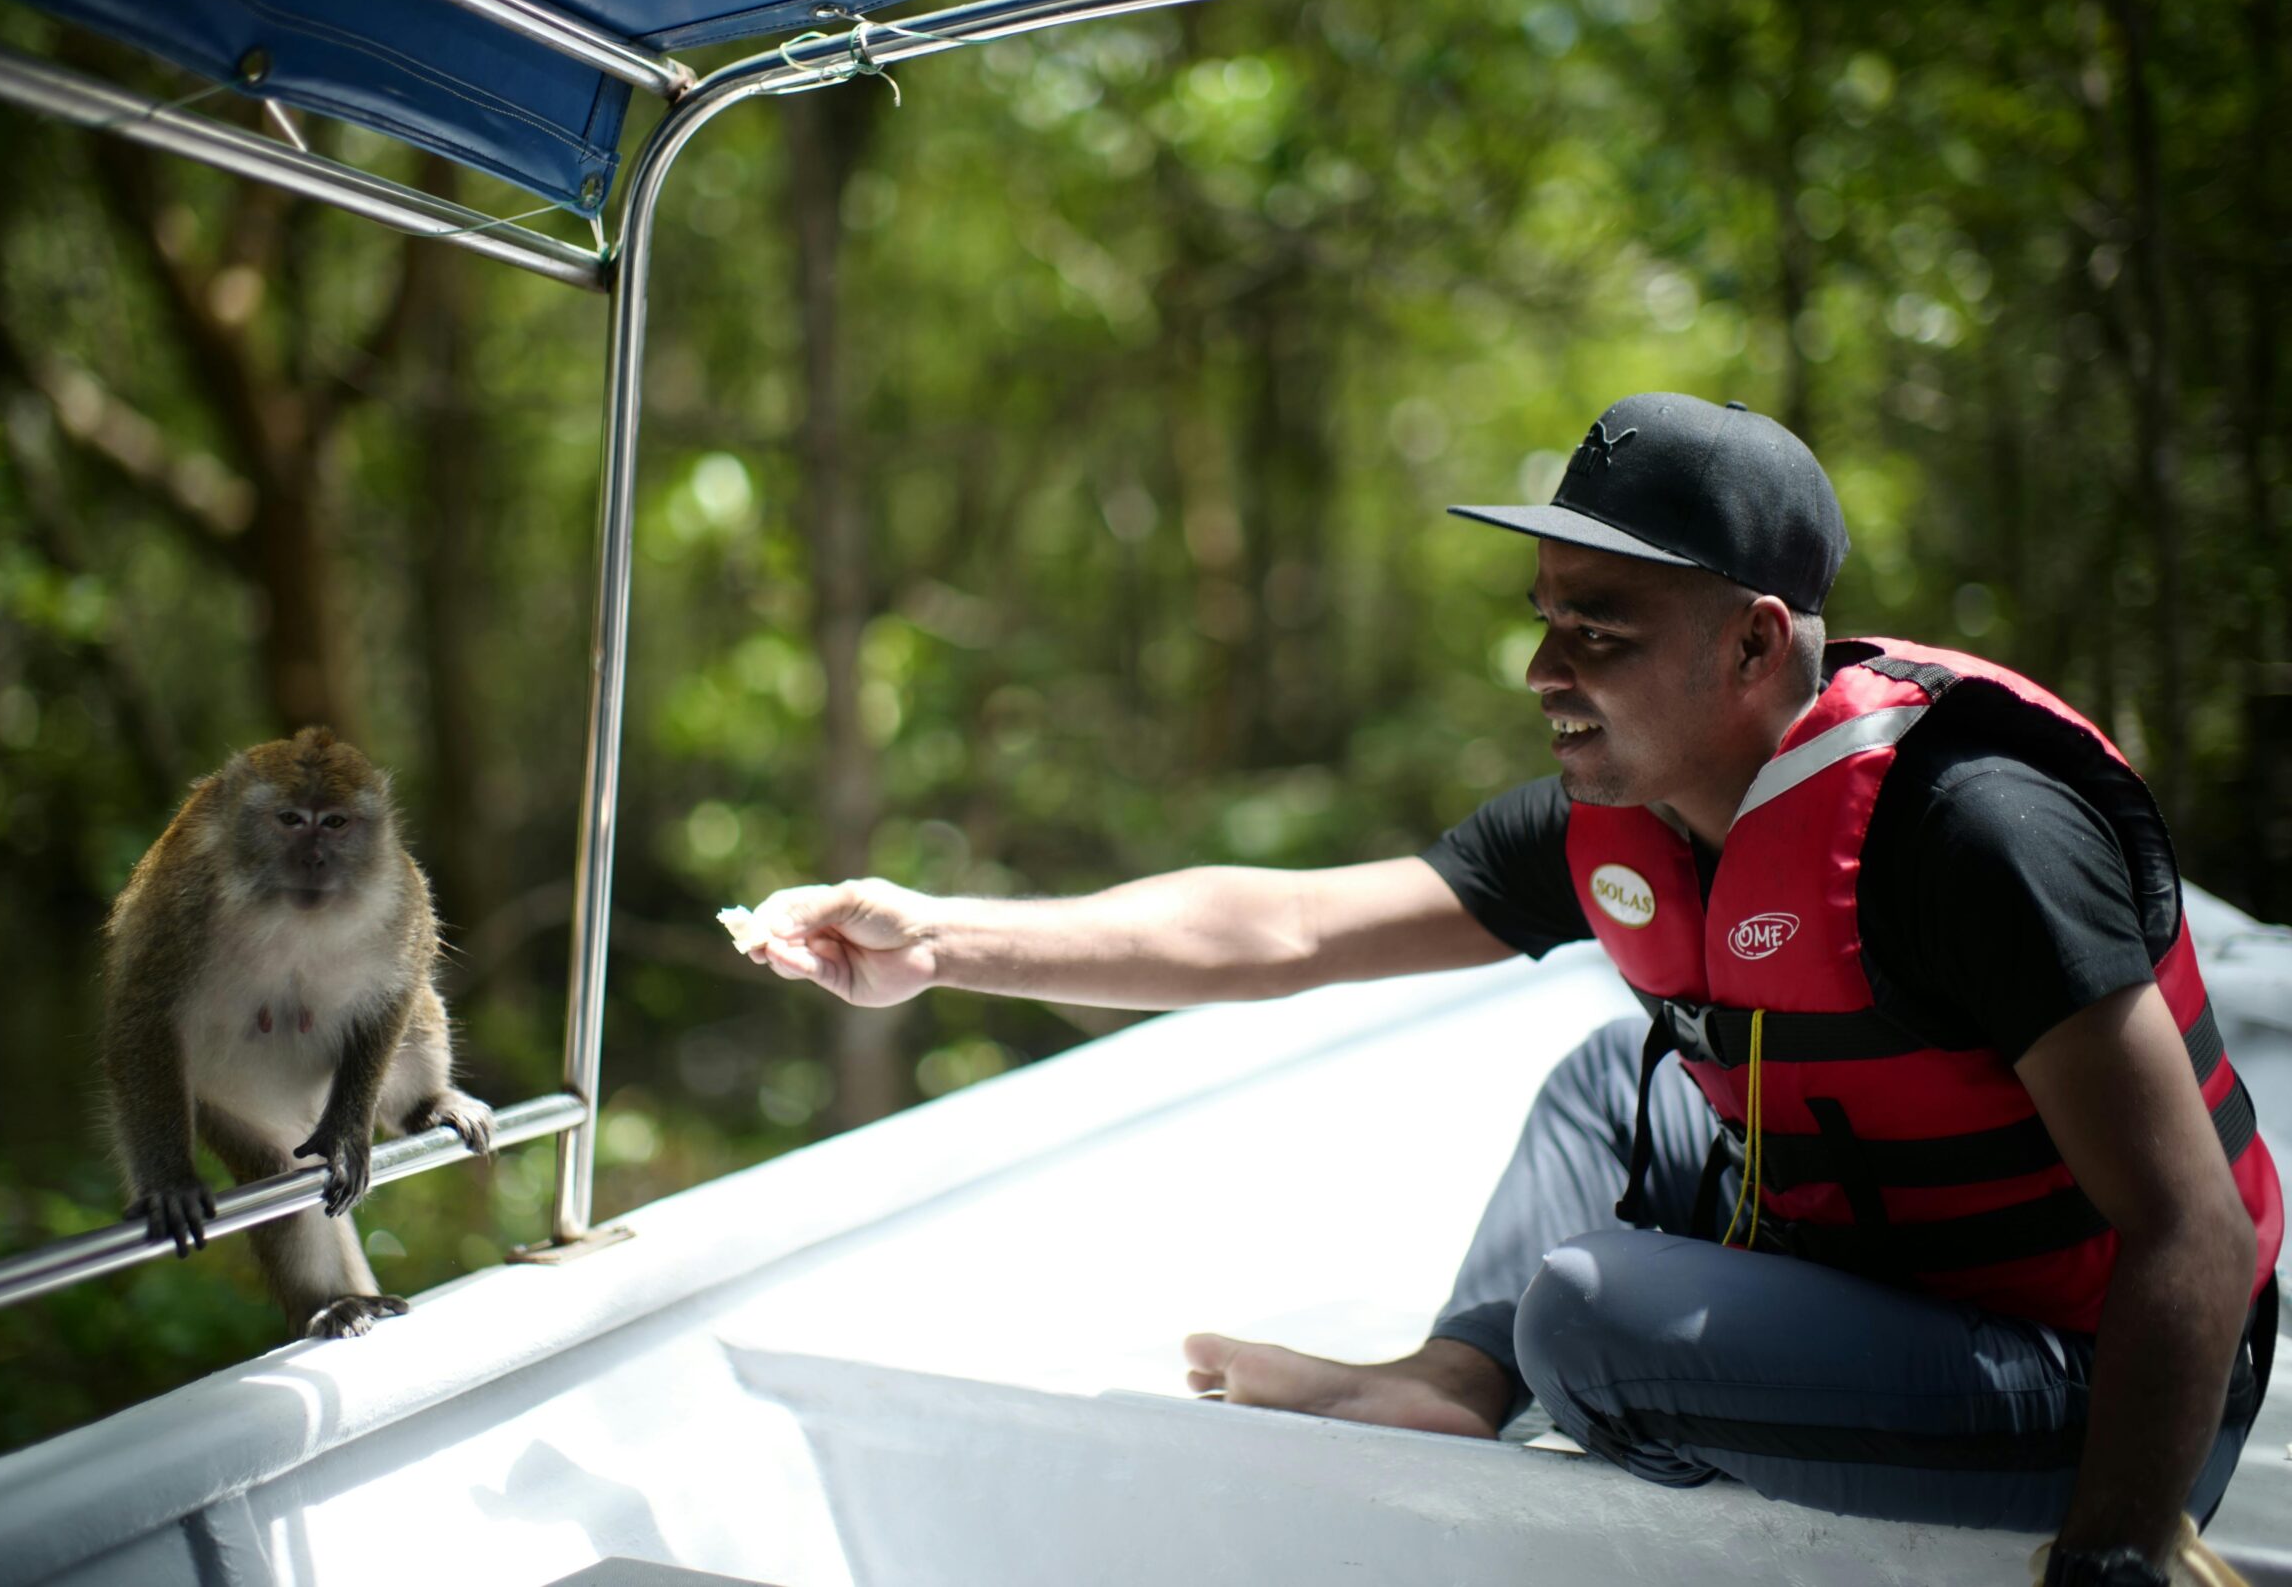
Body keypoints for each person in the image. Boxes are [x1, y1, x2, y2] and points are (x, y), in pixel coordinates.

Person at [736, 393, 2281, 1587]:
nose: (1547, 668)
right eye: (1547, 617)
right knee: (1624, 1073)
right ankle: (1442, 1387)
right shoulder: (1631, 816)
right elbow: (1282, 929)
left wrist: (2114, 1555)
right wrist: (945, 941)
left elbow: (2193, 1231)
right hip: (1886, 1269)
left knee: (1591, 1323)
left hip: (2097, 1379)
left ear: (1753, 643)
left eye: (1600, 631)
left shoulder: (1972, 834)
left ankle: (1530, 1368)